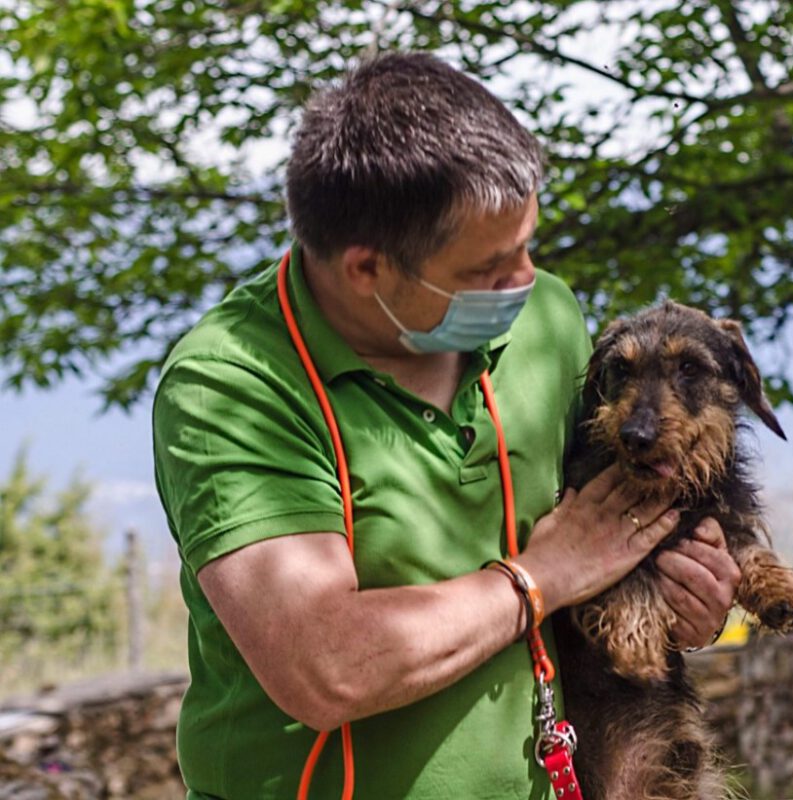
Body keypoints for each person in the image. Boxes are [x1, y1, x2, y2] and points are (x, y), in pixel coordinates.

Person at [153, 52, 741, 800]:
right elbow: (324, 669)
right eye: (489, 269)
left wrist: (691, 595)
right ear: (367, 269)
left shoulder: (547, 318)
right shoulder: (230, 387)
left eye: (528, 243)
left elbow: (615, 531)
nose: (526, 281)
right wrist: (541, 577)